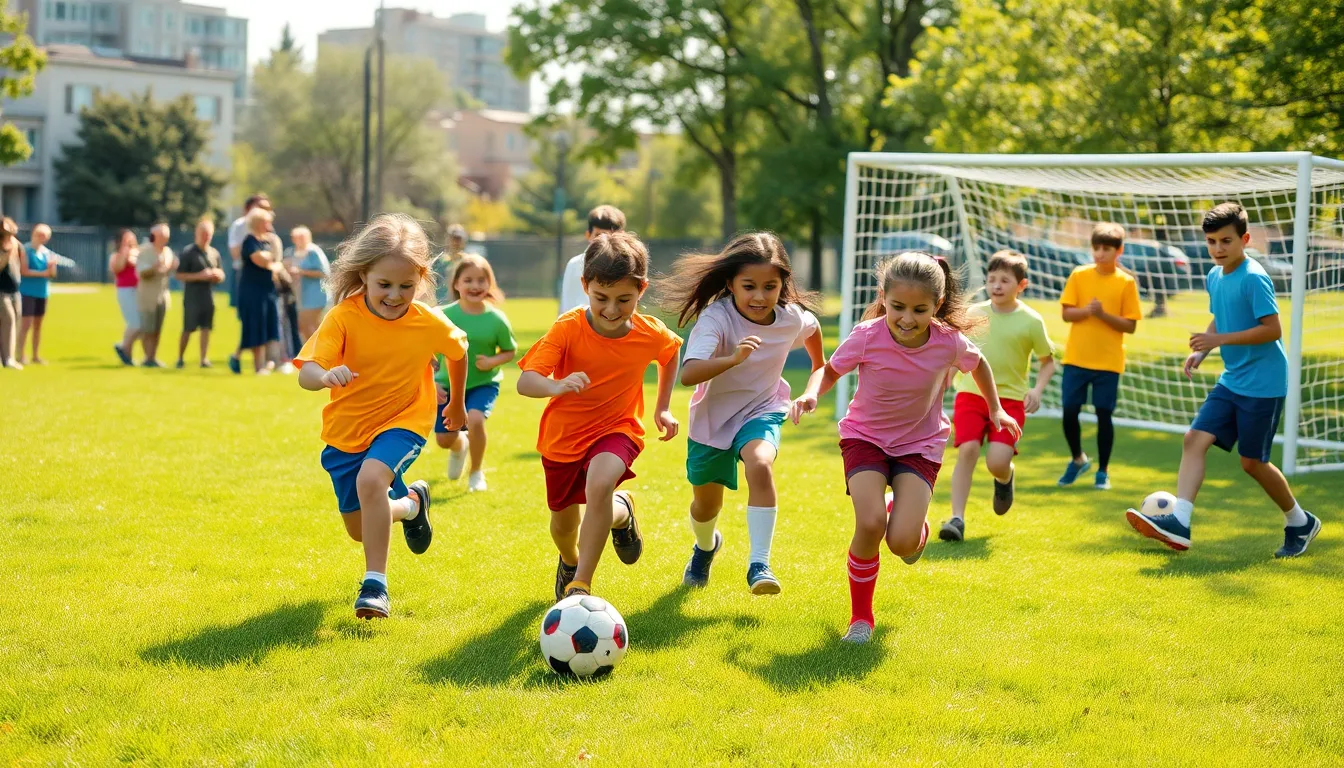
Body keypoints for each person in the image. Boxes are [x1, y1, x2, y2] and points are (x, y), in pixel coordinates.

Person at [791, 253, 1020, 644]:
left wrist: (996, 408)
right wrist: (811, 394)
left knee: (902, 543)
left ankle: (914, 523)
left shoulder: (948, 341)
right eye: (898, 307)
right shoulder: (866, 335)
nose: (907, 319)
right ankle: (861, 620)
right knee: (869, 523)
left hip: (920, 444)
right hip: (864, 438)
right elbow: (829, 370)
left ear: (937, 306)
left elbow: (978, 363)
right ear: (884, 297)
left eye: (920, 310)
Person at [295, 213, 469, 619]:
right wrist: (325, 375)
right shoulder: (343, 317)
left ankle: (375, 586)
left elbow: (458, 352)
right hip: (346, 432)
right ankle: (410, 505)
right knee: (360, 529)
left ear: (421, 279)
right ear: (364, 276)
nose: (395, 295)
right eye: (384, 285)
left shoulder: (426, 321)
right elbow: (305, 373)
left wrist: (456, 403)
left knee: (371, 478)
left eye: (406, 286)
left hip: (406, 420)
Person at [1126, 203, 1321, 558]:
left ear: (1244, 239)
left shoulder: (1254, 277)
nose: (1218, 248)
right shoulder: (1214, 275)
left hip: (1264, 382)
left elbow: (1271, 329)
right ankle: (1179, 522)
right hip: (1233, 379)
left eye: (1226, 241)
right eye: (1212, 241)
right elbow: (1220, 317)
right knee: (1194, 438)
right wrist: (1203, 350)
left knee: (1252, 463)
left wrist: (1218, 341)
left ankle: (1300, 521)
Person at [518, 231, 682, 600]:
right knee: (563, 526)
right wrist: (555, 386)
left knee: (599, 485)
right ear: (585, 285)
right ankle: (589, 544)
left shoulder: (649, 331)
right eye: (600, 298)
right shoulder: (568, 327)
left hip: (618, 429)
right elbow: (527, 382)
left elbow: (670, 353)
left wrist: (663, 406)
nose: (611, 309)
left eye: (624, 299)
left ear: (642, 289)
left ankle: (581, 584)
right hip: (563, 439)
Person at [658, 232, 825, 594]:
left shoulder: (792, 318)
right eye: (749, 286)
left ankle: (759, 564)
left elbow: (818, 356)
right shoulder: (716, 320)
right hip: (712, 421)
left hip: (763, 409)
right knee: (705, 507)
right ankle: (705, 548)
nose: (760, 296)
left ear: (783, 285)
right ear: (731, 283)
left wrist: (811, 391)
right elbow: (688, 374)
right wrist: (732, 359)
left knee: (760, 463)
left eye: (771, 286)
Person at [942, 250, 1057, 541]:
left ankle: (1005, 478)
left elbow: (1048, 361)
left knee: (996, 462)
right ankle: (956, 519)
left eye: (1005, 280)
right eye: (992, 279)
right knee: (967, 450)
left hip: (1010, 402)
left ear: (1022, 285)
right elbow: (956, 351)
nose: (996, 285)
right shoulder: (973, 313)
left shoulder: (1031, 321)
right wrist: (946, 378)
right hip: (970, 394)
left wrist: (1037, 390)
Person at [1056, 223, 1141, 490]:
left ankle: (1103, 471)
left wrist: (1103, 314)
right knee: (1070, 411)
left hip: (1108, 361)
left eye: (1106, 249)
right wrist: (1088, 312)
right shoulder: (1079, 275)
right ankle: (1078, 459)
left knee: (1104, 414)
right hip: (1076, 359)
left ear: (1119, 251)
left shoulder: (1126, 282)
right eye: (1096, 248)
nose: (1100, 254)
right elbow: (1066, 313)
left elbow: (1130, 326)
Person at [435, 254, 517, 492]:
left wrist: (493, 360)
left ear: (489, 284)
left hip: (484, 383)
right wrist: (432, 382)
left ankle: (476, 472)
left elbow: (510, 351)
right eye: (468, 280)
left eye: (481, 280)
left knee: (476, 420)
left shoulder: (496, 319)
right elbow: (425, 352)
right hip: (447, 384)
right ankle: (459, 446)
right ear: (456, 284)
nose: (475, 285)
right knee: (444, 440)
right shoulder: (443, 315)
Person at [234, 208, 283, 374]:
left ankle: (239, 358)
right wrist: (271, 260)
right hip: (252, 291)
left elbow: (276, 263)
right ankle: (258, 366)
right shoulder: (249, 241)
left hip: (268, 290)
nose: (269, 225)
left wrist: (271, 260)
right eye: (266, 222)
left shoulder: (267, 242)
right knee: (257, 327)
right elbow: (261, 261)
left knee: (269, 327)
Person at [175, 217, 225, 368]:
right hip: (192, 296)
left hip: (208, 296)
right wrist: (200, 276)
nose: (206, 237)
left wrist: (217, 275)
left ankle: (203, 359)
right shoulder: (189, 252)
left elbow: (222, 273)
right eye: (203, 233)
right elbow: (179, 275)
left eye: (208, 234)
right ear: (197, 233)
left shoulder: (214, 253)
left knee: (206, 328)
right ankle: (180, 357)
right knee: (188, 328)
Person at [558, 206, 626, 316]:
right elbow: (566, 306)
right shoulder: (575, 264)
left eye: (611, 235)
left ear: (622, 236)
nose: (604, 241)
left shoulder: (628, 266)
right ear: (588, 235)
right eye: (598, 235)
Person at [135, 224, 175, 368]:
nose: (165, 239)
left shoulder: (168, 251)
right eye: (162, 236)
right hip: (147, 296)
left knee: (158, 329)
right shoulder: (145, 251)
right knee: (148, 329)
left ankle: (153, 357)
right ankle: (147, 358)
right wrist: (155, 267)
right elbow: (141, 272)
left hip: (162, 296)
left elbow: (170, 268)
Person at [17, 224, 58, 365]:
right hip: (27, 291)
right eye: (40, 235)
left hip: (42, 292)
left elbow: (52, 274)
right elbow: (24, 271)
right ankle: (20, 354)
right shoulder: (25, 250)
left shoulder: (47, 253)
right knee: (25, 324)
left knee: (38, 325)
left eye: (46, 236)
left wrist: (52, 268)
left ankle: (35, 355)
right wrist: (43, 273)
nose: (43, 238)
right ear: (34, 234)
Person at [292, 226, 330, 341]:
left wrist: (301, 272)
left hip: (315, 295)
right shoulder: (299, 252)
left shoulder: (312, 252)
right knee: (311, 326)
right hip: (306, 296)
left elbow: (323, 272)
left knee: (307, 325)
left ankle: (316, 353)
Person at [110, 229, 141, 366]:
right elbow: (118, 268)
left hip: (140, 291)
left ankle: (126, 352)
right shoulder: (116, 255)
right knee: (135, 323)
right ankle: (123, 348)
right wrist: (124, 251)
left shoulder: (138, 253)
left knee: (143, 326)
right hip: (126, 290)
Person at [0, 218, 23, 370]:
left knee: (15, 321)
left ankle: (10, 357)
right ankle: (8, 359)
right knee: (8, 320)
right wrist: (6, 254)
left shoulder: (15, 243)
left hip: (14, 290)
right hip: (1, 291)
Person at [434, 223, 469, 305]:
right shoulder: (439, 262)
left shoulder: (469, 262)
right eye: (454, 238)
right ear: (448, 239)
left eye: (459, 239)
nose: (456, 242)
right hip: (442, 306)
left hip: (463, 306)